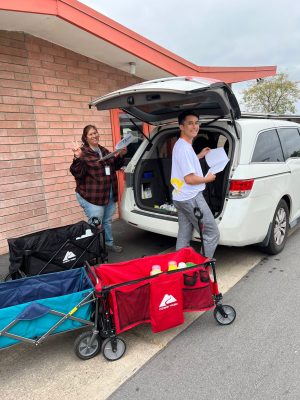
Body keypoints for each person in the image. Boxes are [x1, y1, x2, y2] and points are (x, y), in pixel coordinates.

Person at [70, 124, 127, 253]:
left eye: (95, 133)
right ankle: (93, 250)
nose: (94, 135)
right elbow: (76, 172)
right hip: (92, 196)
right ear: (85, 137)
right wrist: (77, 158)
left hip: (108, 194)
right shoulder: (83, 153)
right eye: (90, 134)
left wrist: (121, 155)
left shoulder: (104, 151)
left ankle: (108, 244)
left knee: (106, 221)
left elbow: (114, 166)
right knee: (95, 224)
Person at [170, 110, 220, 258]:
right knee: (212, 233)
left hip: (180, 197)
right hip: (191, 197)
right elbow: (190, 179)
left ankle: (181, 267)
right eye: (190, 123)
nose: (194, 126)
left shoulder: (182, 144)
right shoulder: (184, 148)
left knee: (184, 235)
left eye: (196, 123)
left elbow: (186, 164)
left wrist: (200, 156)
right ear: (181, 126)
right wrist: (208, 179)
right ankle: (202, 269)